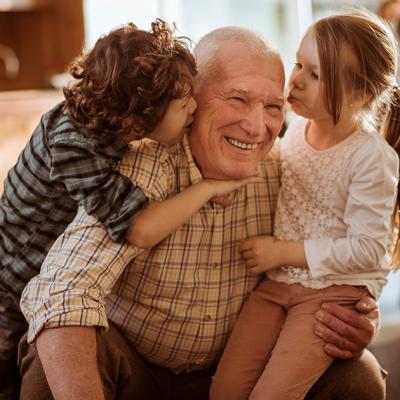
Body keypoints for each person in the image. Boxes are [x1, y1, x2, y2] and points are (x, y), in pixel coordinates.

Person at [19, 26, 385, 400]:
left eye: (273, 106)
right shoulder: (147, 164)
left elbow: (359, 242)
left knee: (359, 376)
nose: (257, 127)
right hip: (136, 370)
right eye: (238, 99)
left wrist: (361, 310)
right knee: (56, 356)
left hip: (237, 368)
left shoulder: (286, 168)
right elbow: (62, 291)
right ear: (191, 99)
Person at [0, 19, 198, 398]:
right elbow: (139, 224)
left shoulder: (105, 125)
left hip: (32, 267)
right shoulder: (74, 145)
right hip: (11, 278)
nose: (195, 107)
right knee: (8, 373)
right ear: (136, 118)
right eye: (184, 104)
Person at [210, 10, 400, 400]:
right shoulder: (296, 128)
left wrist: (283, 252)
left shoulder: (370, 157)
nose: (294, 79)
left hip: (329, 295)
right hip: (276, 285)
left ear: (360, 94)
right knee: (225, 391)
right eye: (298, 63)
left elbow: (369, 250)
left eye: (314, 74)